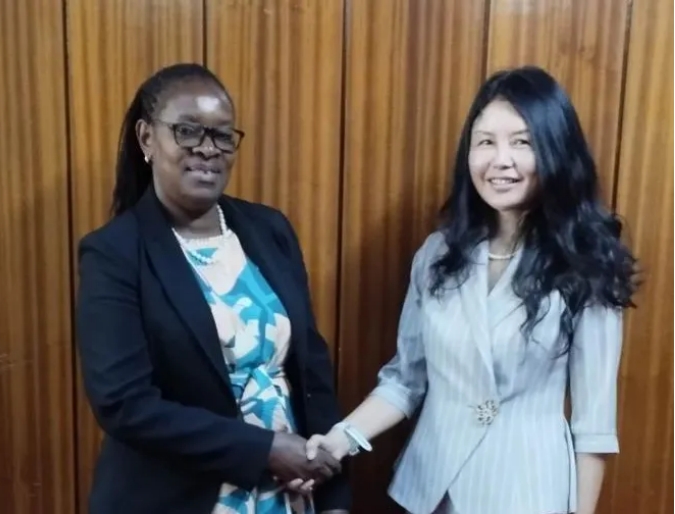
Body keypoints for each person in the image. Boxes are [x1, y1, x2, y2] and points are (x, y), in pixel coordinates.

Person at [304, 66, 638, 514]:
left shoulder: (587, 263)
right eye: (485, 142)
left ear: (556, 150)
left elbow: (593, 428)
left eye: (522, 142)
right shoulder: (438, 254)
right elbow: (405, 381)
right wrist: (340, 438)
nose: (500, 160)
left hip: (525, 495)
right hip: (429, 492)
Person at [75, 62, 349, 514]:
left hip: (288, 494)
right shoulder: (114, 253)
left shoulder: (269, 229)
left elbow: (311, 369)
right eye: (187, 131)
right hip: (177, 498)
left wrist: (334, 497)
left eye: (222, 135)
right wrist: (263, 449)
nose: (207, 148)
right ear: (147, 138)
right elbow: (125, 404)